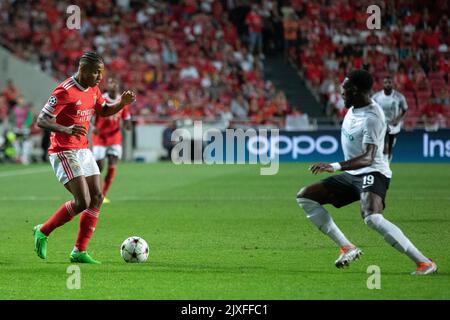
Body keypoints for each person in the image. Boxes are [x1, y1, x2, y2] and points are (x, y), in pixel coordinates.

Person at [296, 69, 437, 276]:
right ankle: (347, 247)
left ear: (355, 90)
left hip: (373, 171)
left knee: (372, 218)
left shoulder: (373, 116)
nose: (341, 93)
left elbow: (368, 157)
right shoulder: (353, 108)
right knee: (305, 197)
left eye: (344, 89)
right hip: (354, 174)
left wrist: (334, 166)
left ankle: (424, 263)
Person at [33, 52, 136, 264]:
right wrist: (66, 128)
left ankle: (79, 251)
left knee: (96, 198)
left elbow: (104, 111)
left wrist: (122, 103)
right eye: (96, 72)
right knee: (82, 201)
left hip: (83, 149)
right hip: (64, 150)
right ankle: (43, 230)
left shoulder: (93, 89)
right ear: (83, 70)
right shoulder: (64, 91)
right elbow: (41, 120)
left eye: (102, 72)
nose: (100, 77)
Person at [91, 77, 131, 204]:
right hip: (100, 137)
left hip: (114, 137)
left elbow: (126, 117)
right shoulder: (101, 99)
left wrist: (127, 124)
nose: (113, 84)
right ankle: (95, 192)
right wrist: (93, 127)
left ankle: (103, 194)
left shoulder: (122, 100)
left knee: (112, 165)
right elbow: (90, 115)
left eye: (115, 82)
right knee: (99, 166)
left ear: (118, 85)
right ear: (107, 86)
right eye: (111, 82)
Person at [371, 76, 408, 161]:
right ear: (383, 84)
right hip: (381, 125)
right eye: (386, 82)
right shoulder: (376, 97)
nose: (387, 84)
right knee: (384, 145)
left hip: (393, 125)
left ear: (393, 84)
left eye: (389, 82)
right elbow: (372, 109)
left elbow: (404, 109)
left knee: (390, 146)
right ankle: (383, 162)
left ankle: (388, 159)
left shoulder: (399, 97)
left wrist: (397, 120)